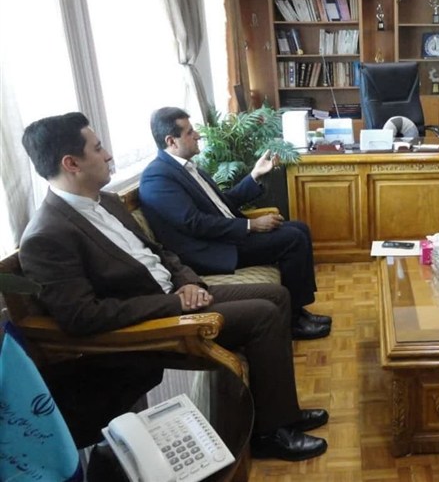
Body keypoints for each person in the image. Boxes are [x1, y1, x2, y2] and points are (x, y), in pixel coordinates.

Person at [18, 112, 328, 461]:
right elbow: (82, 316)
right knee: (264, 315)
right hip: (155, 320)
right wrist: (176, 303)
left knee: (278, 295)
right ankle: (270, 434)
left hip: (176, 294)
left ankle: (282, 412)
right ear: (71, 163)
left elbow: (161, 252)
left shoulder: (108, 201)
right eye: (98, 148)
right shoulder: (47, 236)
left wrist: (188, 282)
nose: (108, 155)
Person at [139, 107, 331, 341]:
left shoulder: (188, 167)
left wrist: (254, 175)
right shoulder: (157, 177)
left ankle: (298, 310)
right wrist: (250, 225)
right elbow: (194, 223)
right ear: (171, 141)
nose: (198, 136)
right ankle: (293, 322)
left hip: (225, 236)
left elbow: (222, 203)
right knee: (292, 239)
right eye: (190, 132)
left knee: (299, 228)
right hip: (208, 250)